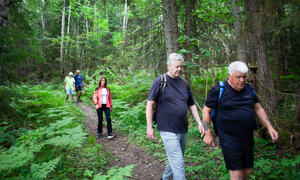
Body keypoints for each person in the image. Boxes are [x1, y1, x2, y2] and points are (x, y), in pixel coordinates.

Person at [202, 61, 279, 180]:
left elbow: (258, 108)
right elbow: (206, 110)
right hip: (229, 138)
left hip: (247, 137)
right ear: (229, 75)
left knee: (248, 171)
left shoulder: (249, 89)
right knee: (236, 173)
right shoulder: (219, 89)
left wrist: (270, 127)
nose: (242, 80)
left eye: (244, 77)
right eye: (238, 77)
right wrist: (208, 134)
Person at [146, 53, 205, 180]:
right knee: (178, 164)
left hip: (183, 128)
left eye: (181, 67)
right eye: (176, 66)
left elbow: (191, 104)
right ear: (169, 66)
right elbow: (150, 104)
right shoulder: (161, 81)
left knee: (175, 159)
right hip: (167, 128)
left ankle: (164, 178)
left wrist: (199, 123)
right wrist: (149, 127)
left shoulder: (184, 83)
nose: (179, 69)